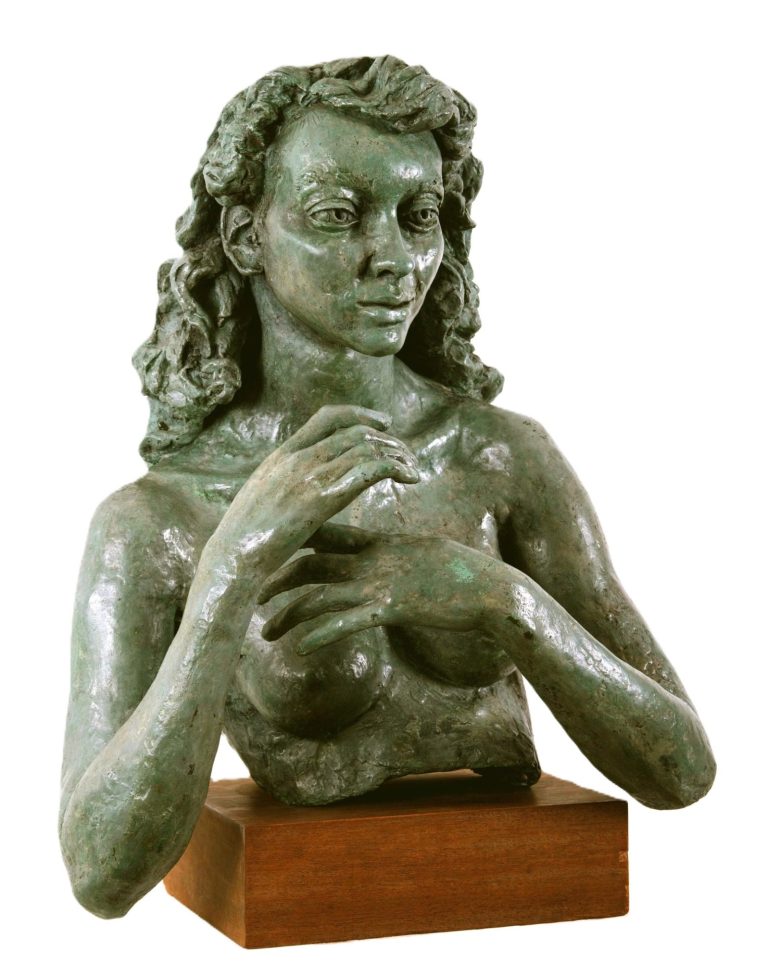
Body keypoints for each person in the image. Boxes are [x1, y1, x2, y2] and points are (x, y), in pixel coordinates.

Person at [59, 55, 715, 920]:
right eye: (338, 216)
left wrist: (501, 600)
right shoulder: (160, 520)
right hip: (315, 910)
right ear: (247, 237)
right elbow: (100, 874)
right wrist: (227, 576)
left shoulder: (499, 457)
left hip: (502, 902)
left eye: (420, 216)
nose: (397, 258)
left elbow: (682, 769)